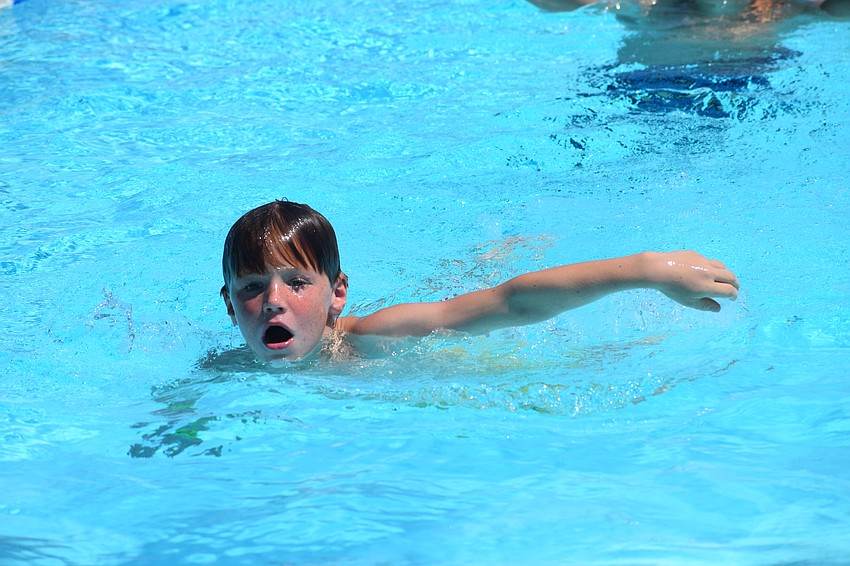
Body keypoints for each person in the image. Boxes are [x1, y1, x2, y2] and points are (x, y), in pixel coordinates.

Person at [221, 200, 739, 363]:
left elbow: (511, 303)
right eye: (251, 286)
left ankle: (503, 245)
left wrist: (650, 271)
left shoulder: (375, 336)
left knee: (468, 291)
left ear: (337, 294)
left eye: (296, 282)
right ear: (228, 304)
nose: (271, 301)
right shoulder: (225, 368)